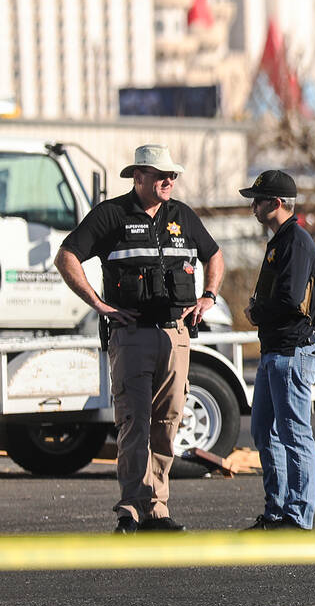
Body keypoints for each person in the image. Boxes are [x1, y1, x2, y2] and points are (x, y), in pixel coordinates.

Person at [55, 144, 223, 533]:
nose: (169, 181)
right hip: (130, 336)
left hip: (176, 336)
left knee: (168, 421)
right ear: (138, 177)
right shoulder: (111, 214)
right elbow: (66, 257)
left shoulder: (182, 215)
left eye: (173, 175)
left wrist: (208, 296)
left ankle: (157, 509)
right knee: (134, 421)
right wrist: (100, 304)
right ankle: (131, 510)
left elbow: (214, 255)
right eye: (161, 174)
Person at [239, 170, 315, 531]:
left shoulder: (296, 242)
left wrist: (256, 311)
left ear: (276, 203)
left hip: (292, 351)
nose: (253, 207)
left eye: (257, 201)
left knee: (294, 434)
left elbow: (289, 299)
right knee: (263, 432)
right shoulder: (280, 241)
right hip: (275, 350)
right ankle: (276, 511)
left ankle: (297, 516)